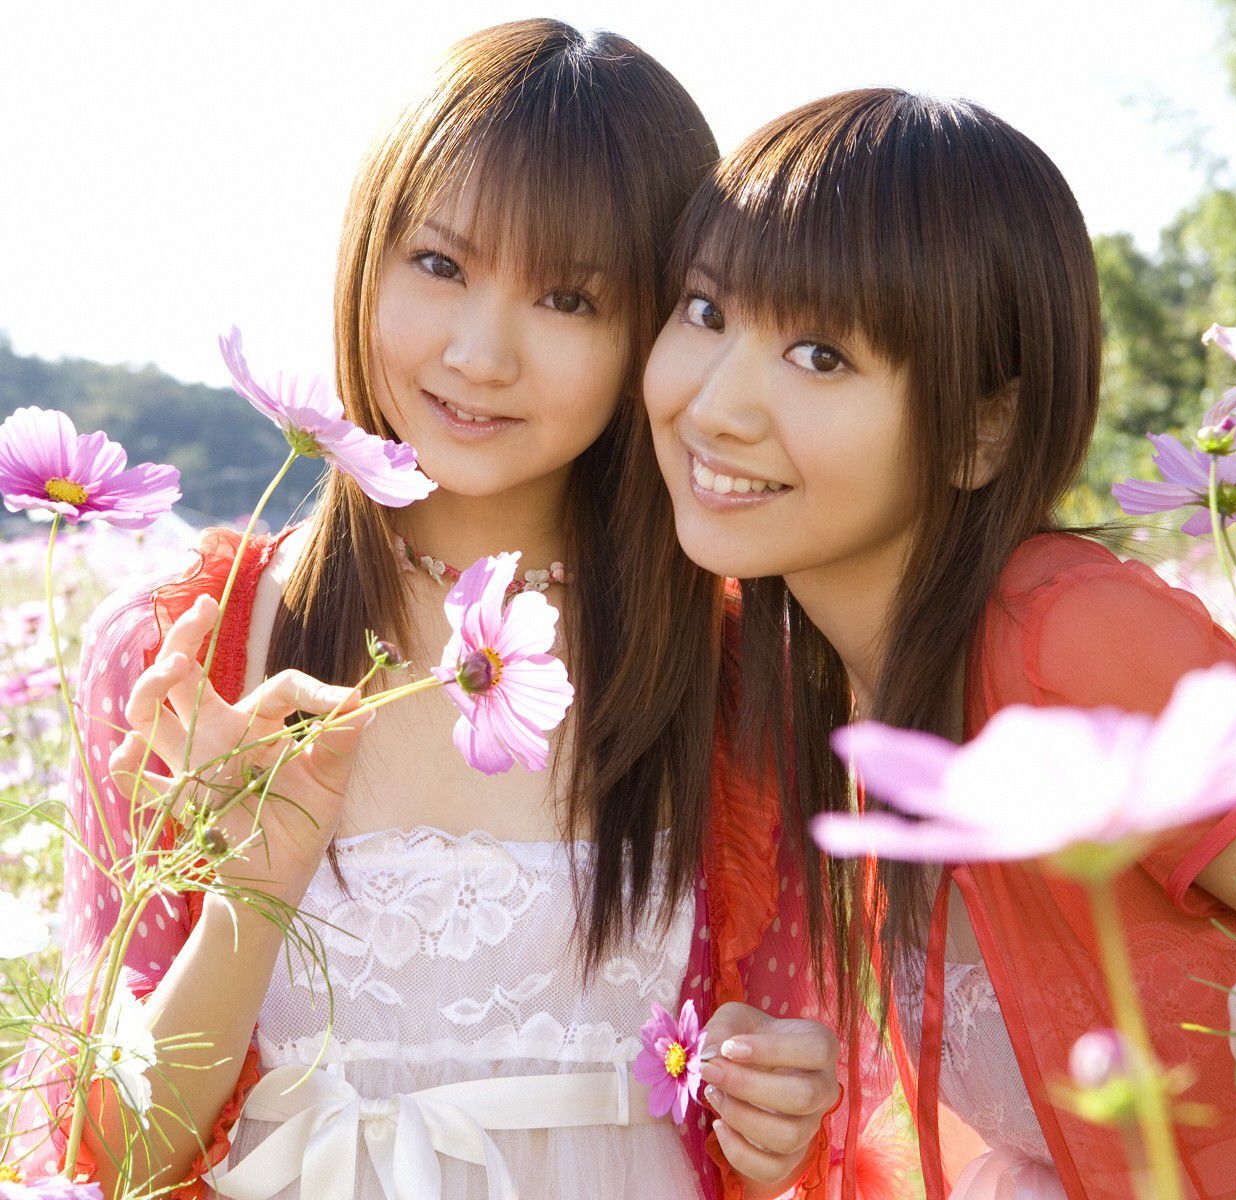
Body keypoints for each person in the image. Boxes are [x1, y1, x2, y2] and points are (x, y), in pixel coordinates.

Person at [641, 88, 1236, 1199]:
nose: (717, 405)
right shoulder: (833, 693)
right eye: (703, 311)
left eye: (822, 354)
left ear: (983, 427)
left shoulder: (1073, 640)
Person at [26, 23, 854, 1200]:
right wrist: (257, 882)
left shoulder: (737, 673)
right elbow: (107, 1159)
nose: (479, 352)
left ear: (665, 327)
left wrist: (777, 1115)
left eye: (568, 297)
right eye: (440, 264)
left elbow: (778, 1123)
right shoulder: (181, 655)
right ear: (366, 253)